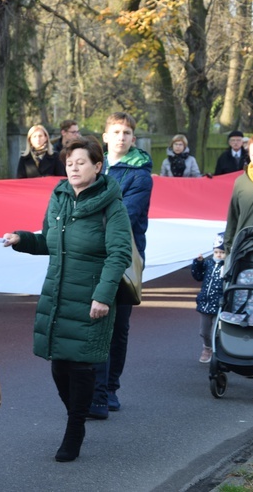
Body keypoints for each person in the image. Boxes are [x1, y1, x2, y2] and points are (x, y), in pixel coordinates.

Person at [2, 136, 132, 462]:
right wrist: (22, 239)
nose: (73, 167)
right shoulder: (59, 197)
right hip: (58, 294)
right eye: (69, 162)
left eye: (81, 162)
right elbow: (48, 240)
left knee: (82, 365)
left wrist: (103, 296)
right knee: (60, 367)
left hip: (91, 297)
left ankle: (75, 428)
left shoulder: (112, 206)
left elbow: (119, 254)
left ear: (97, 167)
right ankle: (78, 413)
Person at [90, 111, 153, 418]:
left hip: (124, 257)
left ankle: (109, 388)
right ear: (105, 137)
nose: (121, 138)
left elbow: (124, 217)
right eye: (115, 132)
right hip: (92, 255)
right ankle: (95, 388)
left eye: (126, 133)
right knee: (94, 320)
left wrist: (87, 220)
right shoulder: (93, 167)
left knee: (118, 326)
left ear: (133, 138)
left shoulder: (140, 175)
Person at [191, 233, 226, 363]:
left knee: (218, 333)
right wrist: (198, 263)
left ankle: (219, 352)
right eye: (216, 251)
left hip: (220, 304)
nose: (219, 255)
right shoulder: (209, 264)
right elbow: (198, 276)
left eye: (222, 252)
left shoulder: (227, 266)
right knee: (204, 332)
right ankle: (207, 348)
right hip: (205, 303)